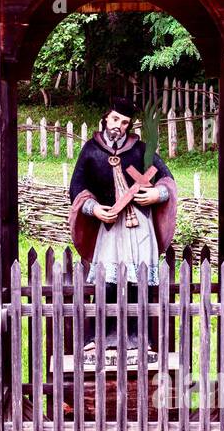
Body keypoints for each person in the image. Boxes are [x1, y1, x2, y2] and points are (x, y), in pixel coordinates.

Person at [67, 99, 178, 361]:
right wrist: (93, 209)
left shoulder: (141, 150)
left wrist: (156, 194)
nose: (119, 126)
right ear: (106, 118)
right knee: (106, 280)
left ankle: (138, 339)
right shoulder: (91, 151)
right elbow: (76, 187)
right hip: (109, 225)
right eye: (116, 119)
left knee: (137, 281)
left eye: (125, 122)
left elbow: (166, 179)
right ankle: (98, 339)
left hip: (139, 226)